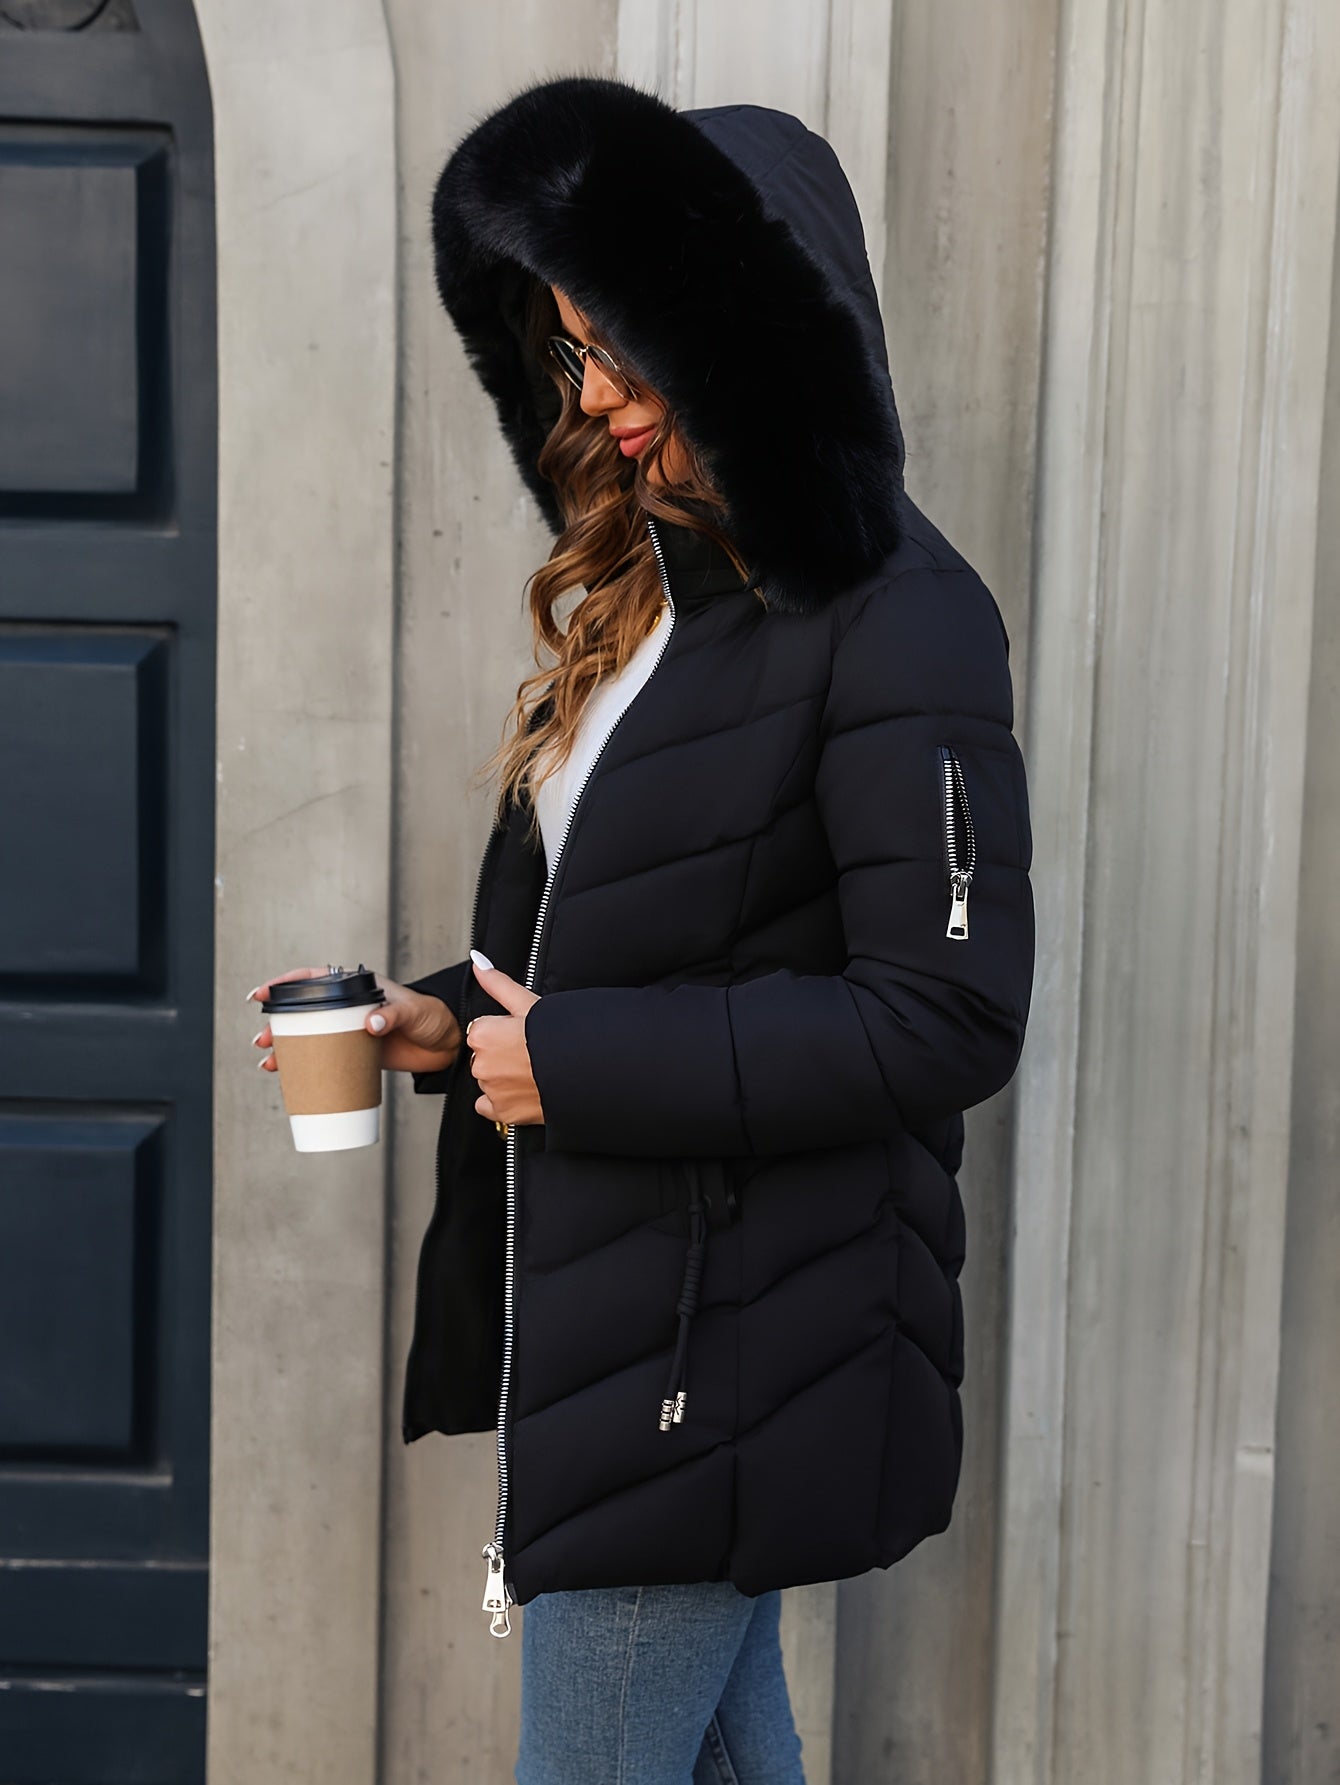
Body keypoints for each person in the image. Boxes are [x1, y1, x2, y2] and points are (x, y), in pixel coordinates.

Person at [249, 72, 1035, 1785]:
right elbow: (658, 933)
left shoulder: (906, 620)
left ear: (744, 344)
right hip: (640, 1323)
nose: (592, 394)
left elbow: (946, 1014)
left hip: (730, 1349)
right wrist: (451, 1022)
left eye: (623, 350)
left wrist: (580, 1065)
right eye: (571, 349)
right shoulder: (651, 598)